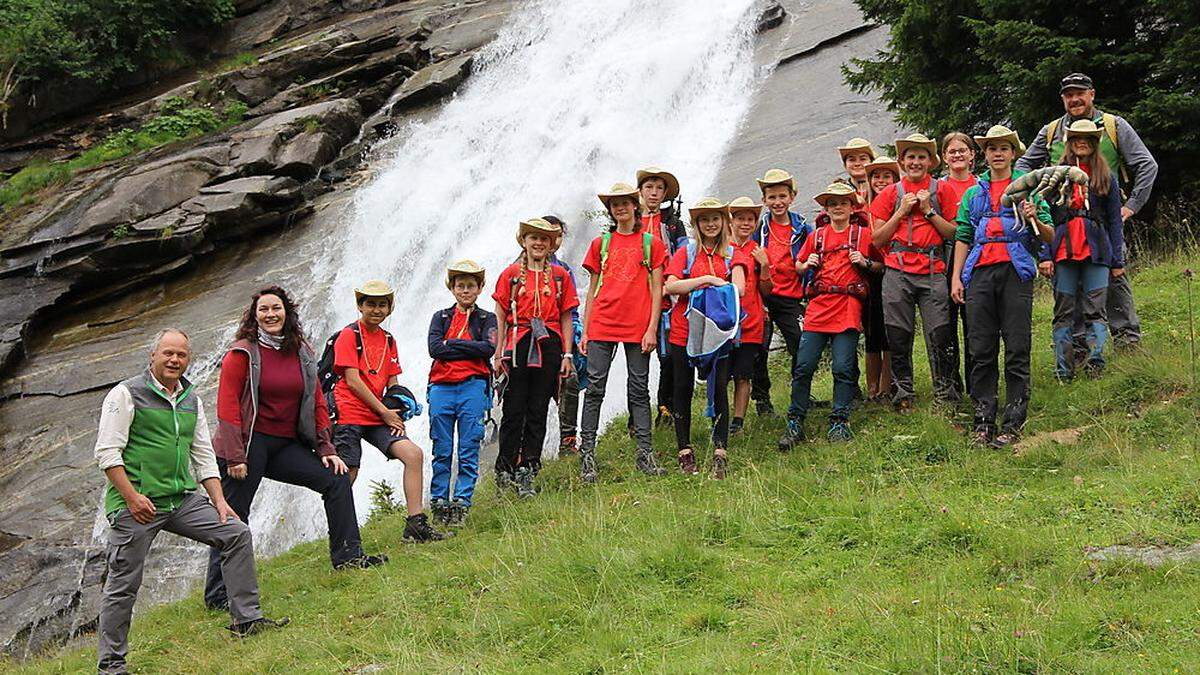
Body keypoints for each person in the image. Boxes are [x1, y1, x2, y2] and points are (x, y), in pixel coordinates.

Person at [94, 329, 287, 673]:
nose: (174, 360)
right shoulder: (125, 393)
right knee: (123, 584)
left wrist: (219, 501)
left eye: (181, 355)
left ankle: (247, 620)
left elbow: (202, 454)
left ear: (188, 359)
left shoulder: (190, 399)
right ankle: (111, 665)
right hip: (135, 505)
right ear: (152, 356)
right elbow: (107, 453)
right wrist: (132, 497)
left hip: (180, 498)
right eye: (168, 353)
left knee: (235, 533)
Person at [205, 287, 385, 612]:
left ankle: (349, 557)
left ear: (287, 312)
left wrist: (326, 447)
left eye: (277, 308)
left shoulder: (300, 351)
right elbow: (228, 406)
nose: (271, 314)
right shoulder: (241, 353)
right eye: (264, 310)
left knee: (336, 479)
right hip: (248, 444)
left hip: (285, 443)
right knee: (232, 513)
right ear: (254, 315)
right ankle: (217, 594)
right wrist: (234, 455)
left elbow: (316, 400)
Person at [1016, 72, 1158, 350]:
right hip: (1064, 223)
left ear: (1092, 94)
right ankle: (1080, 347)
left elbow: (1147, 165)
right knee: (1070, 287)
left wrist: (1130, 207)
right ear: (1063, 99)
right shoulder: (1051, 131)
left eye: (1080, 93)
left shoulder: (1113, 126)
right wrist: (1037, 197)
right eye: (1069, 95)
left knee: (1114, 278)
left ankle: (1127, 341)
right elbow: (1022, 167)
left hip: (1104, 220)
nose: (1075, 99)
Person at [950, 126, 1054, 448]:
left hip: (1015, 272)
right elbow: (963, 236)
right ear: (985, 154)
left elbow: (1048, 236)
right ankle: (983, 422)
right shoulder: (973, 193)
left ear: (1013, 153)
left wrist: (1034, 216)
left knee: (1017, 348)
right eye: (991, 148)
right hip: (979, 273)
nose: (997, 153)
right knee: (981, 349)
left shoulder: (1029, 189)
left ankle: (1013, 423)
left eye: (1003, 148)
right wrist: (956, 277)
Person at [330, 280, 444, 542]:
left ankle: (415, 525)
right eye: (370, 303)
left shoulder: (389, 340)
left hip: (377, 412)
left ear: (390, 308)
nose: (376, 309)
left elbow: (392, 382)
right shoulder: (349, 335)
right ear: (360, 306)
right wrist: (384, 412)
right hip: (348, 411)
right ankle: (341, 533)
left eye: (382, 304)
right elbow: (353, 380)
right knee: (349, 472)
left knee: (413, 454)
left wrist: (398, 408)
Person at [579, 182, 670, 483]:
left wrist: (652, 329)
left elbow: (658, 289)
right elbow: (592, 290)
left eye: (625, 203)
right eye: (614, 204)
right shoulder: (600, 244)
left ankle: (645, 453)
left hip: (637, 326)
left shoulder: (651, 244)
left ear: (635, 205)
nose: (620, 208)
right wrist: (585, 330)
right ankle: (587, 456)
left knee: (639, 390)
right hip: (603, 322)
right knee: (594, 389)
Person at [780, 183, 882, 448]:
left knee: (843, 367)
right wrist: (806, 265)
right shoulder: (818, 236)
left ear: (851, 207)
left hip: (848, 306)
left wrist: (865, 262)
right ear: (826, 208)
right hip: (818, 306)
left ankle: (840, 420)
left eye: (843, 203)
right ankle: (795, 421)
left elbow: (882, 265)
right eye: (832, 203)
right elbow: (799, 265)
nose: (838, 207)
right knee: (803, 366)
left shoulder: (864, 235)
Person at [869, 133, 959, 412]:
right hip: (897, 270)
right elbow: (877, 239)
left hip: (933, 269)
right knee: (898, 334)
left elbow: (954, 232)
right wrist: (902, 211)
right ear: (902, 162)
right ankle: (902, 394)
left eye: (921, 157)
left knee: (940, 333)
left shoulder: (943, 190)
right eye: (911, 157)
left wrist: (929, 211)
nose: (916, 162)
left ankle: (945, 393)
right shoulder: (890, 193)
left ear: (931, 161)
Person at [492, 218, 578, 497]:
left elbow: (566, 314)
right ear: (524, 242)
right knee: (514, 407)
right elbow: (501, 314)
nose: (539, 243)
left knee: (538, 407)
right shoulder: (510, 275)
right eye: (533, 238)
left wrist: (567, 353)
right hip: (518, 340)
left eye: (544, 238)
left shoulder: (560, 276)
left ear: (552, 243)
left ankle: (529, 466)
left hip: (549, 342)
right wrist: (497, 354)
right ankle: (505, 467)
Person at [663, 198, 748, 478]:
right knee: (682, 389)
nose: (710, 224)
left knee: (720, 386)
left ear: (723, 222)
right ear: (697, 225)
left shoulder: (733, 254)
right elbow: (671, 285)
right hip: (683, 332)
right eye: (704, 220)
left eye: (715, 219)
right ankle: (684, 449)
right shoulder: (685, 252)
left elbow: (740, 289)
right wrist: (709, 281)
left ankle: (720, 451)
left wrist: (704, 284)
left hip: (718, 334)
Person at [1043, 119, 1125, 381]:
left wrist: (1117, 260)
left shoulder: (1107, 178)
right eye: (1076, 137)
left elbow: (1114, 220)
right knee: (1063, 311)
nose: (1081, 141)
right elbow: (1045, 217)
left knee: (1095, 309)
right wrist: (1044, 255)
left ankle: (1095, 365)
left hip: (1098, 250)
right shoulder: (1055, 177)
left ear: (1095, 142)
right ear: (1068, 141)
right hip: (1063, 248)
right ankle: (1063, 370)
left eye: (1087, 138)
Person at [427, 261, 496, 524]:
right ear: (452, 289)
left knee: (468, 446)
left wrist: (452, 344)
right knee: (441, 447)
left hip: (473, 386)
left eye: (470, 286)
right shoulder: (440, 317)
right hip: (441, 387)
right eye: (460, 286)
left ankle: (462, 502)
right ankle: (439, 501)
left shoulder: (486, 318)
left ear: (479, 288)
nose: (465, 290)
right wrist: (467, 346)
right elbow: (434, 348)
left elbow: (487, 349)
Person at [750, 169, 813, 415]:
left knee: (801, 345)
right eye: (772, 197)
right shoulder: (758, 229)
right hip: (763, 296)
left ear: (792, 197)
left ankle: (801, 395)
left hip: (791, 296)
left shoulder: (802, 228)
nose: (777, 202)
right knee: (759, 348)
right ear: (764, 200)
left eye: (782, 196)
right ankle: (762, 398)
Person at [636, 167, 687, 428]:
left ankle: (665, 407)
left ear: (665, 193)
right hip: (636, 300)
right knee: (636, 359)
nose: (654, 193)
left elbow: (682, 254)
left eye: (659, 188)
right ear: (640, 191)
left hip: (667, 296)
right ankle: (636, 417)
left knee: (668, 357)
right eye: (649, 187)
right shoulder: (630, 222)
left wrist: (672, 282)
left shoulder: (673, 223)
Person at [937, 132, 980, 399]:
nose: (957, 155)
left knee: (975, 324)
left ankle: (978, 384)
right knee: (946, 324)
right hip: (946, 256)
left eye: (962, 150)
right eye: (952, 151)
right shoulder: (938, 187)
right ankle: (951, 385)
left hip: (977, 254)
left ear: (972, 154)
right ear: (944, 157)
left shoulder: (982, 184)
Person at [542, 215, 587, 456]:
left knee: (568, 382)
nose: (553, 239)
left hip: (560, 339)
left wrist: (575, 338)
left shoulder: (564, 270)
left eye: (559, 234)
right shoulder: (518, 270)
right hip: (529, 342)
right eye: (548, 233)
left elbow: (572, 311)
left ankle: (568, 441)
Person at [727, 196, 772, 436]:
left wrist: (764, 266)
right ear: (731, 221)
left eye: (750, 219)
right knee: (722, 373)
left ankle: (738, 422)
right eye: (741, 218)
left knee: (744, 374)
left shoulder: (758, 250)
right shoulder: (722, 248)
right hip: (724, 323)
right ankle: (720, 417)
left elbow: (767, 290)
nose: (745, 223)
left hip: (752, 321)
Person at [861, 156, 899, 401]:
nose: (881, 181)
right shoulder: (862, 208)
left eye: (887, 176)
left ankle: (886, 386)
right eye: (876, 176)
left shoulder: (900, 204)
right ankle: (871, 388)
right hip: (866, 274)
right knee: (871, 331)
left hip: (892, 270)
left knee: (889, 331)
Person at [838, 137, 877, 206]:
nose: (857, 164)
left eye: (863, 159)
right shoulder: (838, 192)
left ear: (872, 162)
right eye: (852, 160)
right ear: (845, 165)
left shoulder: (881, 188)